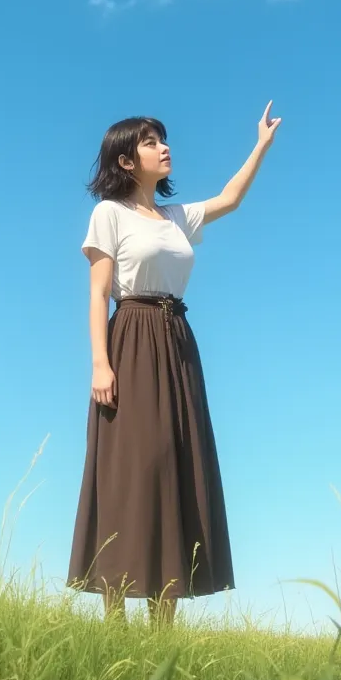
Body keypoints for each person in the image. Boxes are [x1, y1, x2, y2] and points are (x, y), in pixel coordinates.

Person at [66, 102, 282, 628]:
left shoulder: (177, 217)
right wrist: (100, 363)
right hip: (131, 337)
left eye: (163, 139)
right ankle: (113, 622)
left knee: (176, 463)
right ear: (125, 160)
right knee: (129, 468)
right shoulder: (108, 214)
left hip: (177, 340)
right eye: (150, 141)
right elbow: (98, 295)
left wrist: (260, 147)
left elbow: (230, 199)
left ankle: (164, 628)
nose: (164, 147)